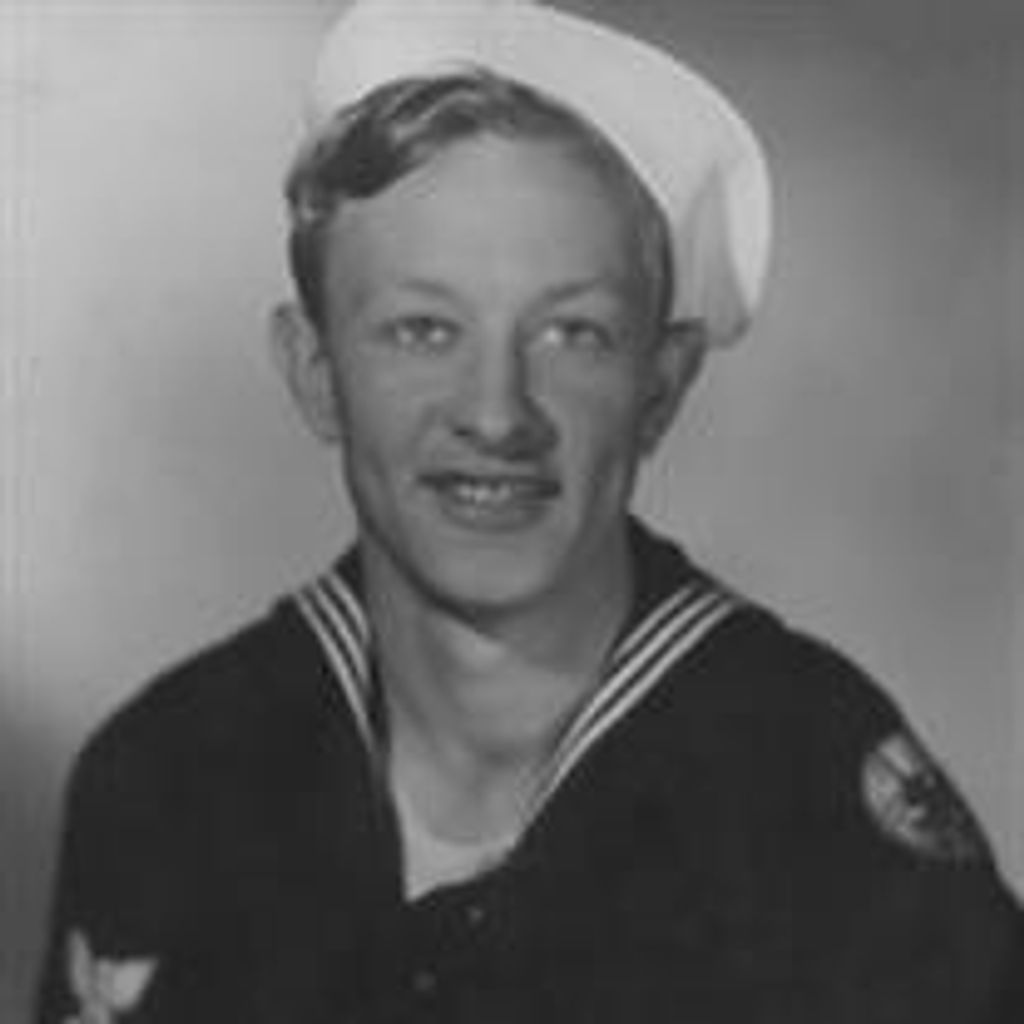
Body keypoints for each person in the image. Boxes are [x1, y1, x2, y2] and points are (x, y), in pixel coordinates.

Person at [34, 1, 1023, 1021]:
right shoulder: (171, 776)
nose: (497, 414)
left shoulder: (808, 794)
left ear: (661, 385)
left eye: (572, 334)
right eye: (423, 329)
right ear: (315, 370)